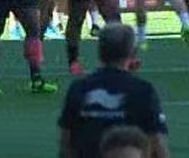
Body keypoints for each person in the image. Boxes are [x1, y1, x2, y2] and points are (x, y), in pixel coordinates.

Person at [58, 24, 169, 158]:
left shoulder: (79, 88)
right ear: (132, 53)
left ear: (100, 52)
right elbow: (157, 142)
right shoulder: (143, 90)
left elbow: (65, 143)